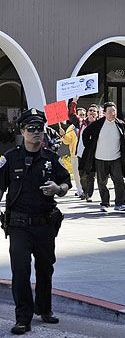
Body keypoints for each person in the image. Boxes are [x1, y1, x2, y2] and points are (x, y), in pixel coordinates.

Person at [0, 109, 72, 335]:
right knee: (20, 271)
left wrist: (57, 189)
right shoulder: (10, 158)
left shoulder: (51, 158)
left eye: (40, 128)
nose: (36, 133)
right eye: (31, 129)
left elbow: (66, 184)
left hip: (44, 224)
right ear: (22, 131)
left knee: (45, 268)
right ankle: (23, 318)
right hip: (19, 225)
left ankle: (45, 309)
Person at [82, 102, 125, 212]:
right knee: (102, 182)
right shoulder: (98, 124)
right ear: (104, 113)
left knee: (119, 181)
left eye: (114, 111)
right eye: (109, 111)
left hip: (116, 158)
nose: (112, 113)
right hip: (100, 158)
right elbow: (85, 134)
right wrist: (90, 147)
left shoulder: (120, 124)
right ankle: (105, 203)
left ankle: (120, 203)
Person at [68, 98, 98, 202]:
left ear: (97, 114)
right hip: (81, 154)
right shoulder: (81, 123)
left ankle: (88, 194)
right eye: (90, 111)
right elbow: (71, 114)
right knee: (82, 175)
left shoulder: (100, 125)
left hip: (94, 155)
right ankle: (85, 192)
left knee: (90, 175)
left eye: (94, 111)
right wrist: (74, 102)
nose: (92, 113)